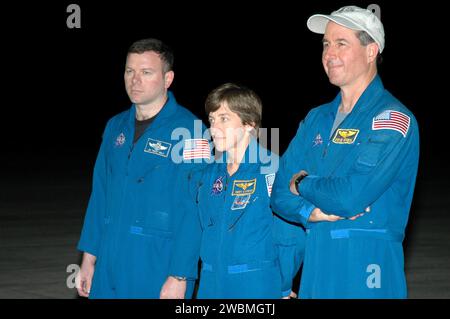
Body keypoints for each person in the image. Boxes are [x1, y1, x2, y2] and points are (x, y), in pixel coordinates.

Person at [271, 6, 419, 298]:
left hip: (367, 261)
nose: (329, 53)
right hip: (317, 262)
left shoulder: (391, 118)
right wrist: (308, 211)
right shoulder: (316, 119)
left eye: (341, 43)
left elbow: (350, 197)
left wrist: (301, 184)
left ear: (371, 50)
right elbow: (278, 194)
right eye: (326, 44)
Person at [75, 38, 210, 298]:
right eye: (129, 71)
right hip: (110, 261)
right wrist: (88, 259)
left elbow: (194, 210)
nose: (135, 80)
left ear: (167, 78)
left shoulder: (192, 132)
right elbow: (100, 195)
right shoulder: (115, 127)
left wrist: (180, 275)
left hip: (158, 263)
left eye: (146, 72)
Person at [181, 83, 305, 298]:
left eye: (224, 119)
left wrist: (283, 286)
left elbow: (291, 237)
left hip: (256, 284)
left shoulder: (272, 170)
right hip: (211, 283)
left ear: (249, 124)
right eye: (211, 119)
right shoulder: (209, 174)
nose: (214, 127)